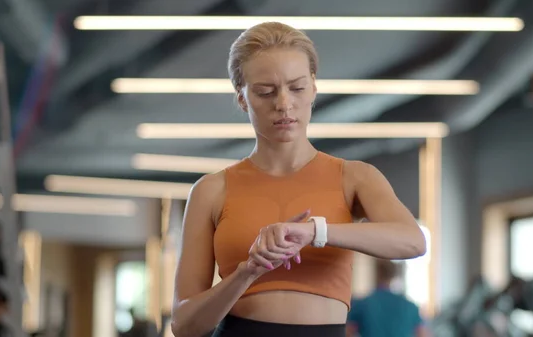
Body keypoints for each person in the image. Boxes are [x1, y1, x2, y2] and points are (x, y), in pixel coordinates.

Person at [170, 21, 427, 337]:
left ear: (314, 88)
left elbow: (413, 241)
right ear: (242, 98)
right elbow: (184, 326)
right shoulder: (211, 190)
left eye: (297, 88)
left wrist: (315, 232)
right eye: (266, 91)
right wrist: (246, 273)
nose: (283, 104)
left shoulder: (355, 177)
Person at [347, 259, 430, 337]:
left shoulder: (362, 305)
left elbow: (347, 332)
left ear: (376, 273)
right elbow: (423, 334)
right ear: (394, 275)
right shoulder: (410, 307)